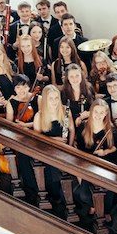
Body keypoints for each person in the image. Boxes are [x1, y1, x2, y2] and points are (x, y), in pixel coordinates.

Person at [33, 85, 74, 218]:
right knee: (54, 177)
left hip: (65, 150)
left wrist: (70, 146)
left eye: (56, 98)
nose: (55, 101)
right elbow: (37, 138)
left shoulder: (65, 110)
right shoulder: (39, 116)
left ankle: (68, 200)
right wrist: (53, 140)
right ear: (45, 99)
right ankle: (58, 202)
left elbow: (72, 130)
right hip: (48, 153)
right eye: (51, 98)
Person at [73, 100, 117, 221]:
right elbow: (79, 151)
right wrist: (80, 174)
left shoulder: (111, 130)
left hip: (104, 166)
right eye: (95, 112)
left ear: (106, 113)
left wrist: (105, 152)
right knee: (84, 195)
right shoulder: (83, 126)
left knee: (106, 193)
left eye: (101, 112)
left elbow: (115, 148)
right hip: (87, 166)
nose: (98, 115)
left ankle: (101, 212)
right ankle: (96, 208)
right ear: (91, 112)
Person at [6, 74, 39, 204]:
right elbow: (9, 124)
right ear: (14, 89)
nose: (22, 90)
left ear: (29, 86)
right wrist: (19, 127)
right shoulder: (11, 102)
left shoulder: (37, 98)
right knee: (24, 158)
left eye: (24, 86)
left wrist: (27, 125)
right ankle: (31, 189)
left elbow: (42, 119)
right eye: (18, 87)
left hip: (37, 132)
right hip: (21, 136)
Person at [62, 63, 94, 128]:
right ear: (67, 78)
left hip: (88, 124)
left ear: (81, 76)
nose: (75, 79)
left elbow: (94, 107)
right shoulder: (64, 92)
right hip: (71, 125)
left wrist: (88, 113)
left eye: (77, 76)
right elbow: (64, 114)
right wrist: (78, 118)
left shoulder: (89, 88)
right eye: (71, 76)